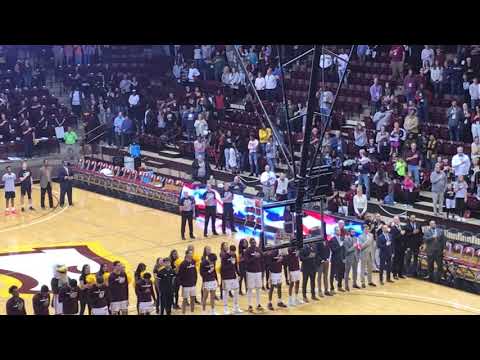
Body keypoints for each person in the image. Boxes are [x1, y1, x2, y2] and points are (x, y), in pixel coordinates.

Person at [221, 244, 242, 314]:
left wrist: (239, 274)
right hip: (226, 277)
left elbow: (236, 266)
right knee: (226, 293)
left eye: (234, 252)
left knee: (236, 291)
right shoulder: (224, 257)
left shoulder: (234, 255)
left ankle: (236, 307)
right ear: (230, 250)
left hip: (233, 277)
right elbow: (223, 268)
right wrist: (231, 264)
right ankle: (225, 309)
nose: (233, 253)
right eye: (232, 252)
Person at [244, 237, 264, 313]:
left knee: (258, 288)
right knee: (250, 289)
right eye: (252, 243)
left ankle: (258, 304)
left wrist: (260, 256)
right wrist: (254, 257)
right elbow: (246, 261)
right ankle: (249, 305)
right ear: (250, 243)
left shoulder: (258, 249)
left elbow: (262, 258)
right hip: (250, 272)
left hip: (258, 272)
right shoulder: (247, 251)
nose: (254, 244)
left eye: (255, 242)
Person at [177, 249, 198, 314]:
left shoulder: (193, 262)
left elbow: (195, 272)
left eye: (192, 253)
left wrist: (195, 281)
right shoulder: (183, 264)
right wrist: (183, 284)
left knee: (192, 299)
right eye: (190, 253)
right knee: (185, 300)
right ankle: (183, 313)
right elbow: (179, 275)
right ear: (186, 254)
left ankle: (192, 313)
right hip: (186, 286)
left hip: (193, 285)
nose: (191, 254)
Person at [200, 246, 218, 315]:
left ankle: (212, 311)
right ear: (209, 259)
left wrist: (216, 280)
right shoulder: (203, 263)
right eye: (212, 261)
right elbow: (202, 274)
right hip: (207, 281)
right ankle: (203, 312)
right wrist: (209, 272)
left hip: (213, 281)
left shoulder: (213, 262)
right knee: (205, 297)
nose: (212, 262)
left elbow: (214, 271)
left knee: (212, 297)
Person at [329, 226, 345, 293]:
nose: (339, 231)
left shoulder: (342, 238)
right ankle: (332, 288)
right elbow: (333, 250)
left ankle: (339, 286)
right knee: (332, 274)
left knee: (341, 273)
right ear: (335, 231)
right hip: (335, 259)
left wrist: (344, 258)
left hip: (341, 259)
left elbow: (344, 249)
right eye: (337, 230)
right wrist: (340, 246)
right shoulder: (332, 239)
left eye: (339, 230)